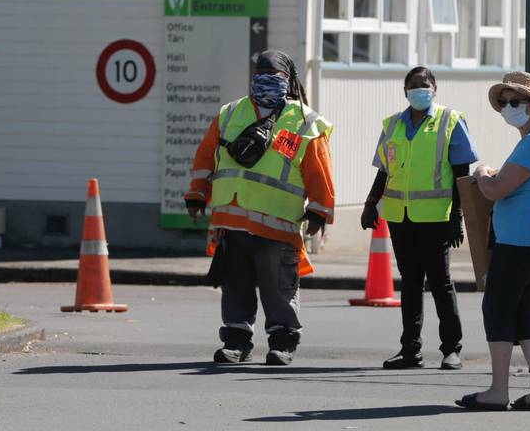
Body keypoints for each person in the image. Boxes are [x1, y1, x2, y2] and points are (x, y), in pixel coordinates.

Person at [184, 50, 335, 366]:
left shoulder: (305, 122)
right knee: (235, 284)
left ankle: (282, 341)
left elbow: (319, 170)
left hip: (277, 221)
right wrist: (197, 193)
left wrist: (319, 212)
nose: (265, 77)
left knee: (278, 287)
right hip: (231, 217)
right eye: (260, 71)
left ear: (288, 80)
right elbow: (205, 156)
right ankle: (236, 340)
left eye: (274, 73)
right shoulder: (230, 113)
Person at [456, 71, 530, 412]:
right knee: (522, 311)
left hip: (524, 241)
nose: (509, 108)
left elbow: (495, 190)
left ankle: (498, 390)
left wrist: (481, 173)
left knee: (497, 308)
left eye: (516, 102)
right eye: (504, 102)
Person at [360, 66, 478, 370]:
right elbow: (384, 170)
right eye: (413, 85)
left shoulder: (450, 121)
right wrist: (371, 203)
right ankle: (410, 350)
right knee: (410, 284)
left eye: (424, 85)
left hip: (437, 217)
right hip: (401, 217)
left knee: (441, 284)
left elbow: (461, 173)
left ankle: (452, 349)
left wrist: (458, 216)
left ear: (435, 88)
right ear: (404, 91)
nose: (419, 89)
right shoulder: (392, 125)